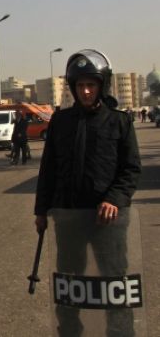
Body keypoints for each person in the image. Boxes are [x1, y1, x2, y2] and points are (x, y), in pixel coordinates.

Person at [34, 49, 141, 336]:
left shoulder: (120, 121)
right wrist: (41, 211)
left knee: (115, 285)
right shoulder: (61, 122)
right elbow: (48, 170)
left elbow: (131, 170)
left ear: (101, 85)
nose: (85, 91)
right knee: (70, 285)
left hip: (109, 221)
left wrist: (114, 199)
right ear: (72, 87)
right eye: (80, 85)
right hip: (68, 220)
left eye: (91, 85)